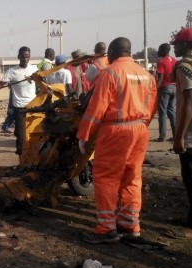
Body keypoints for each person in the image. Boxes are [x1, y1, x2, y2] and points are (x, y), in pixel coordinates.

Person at [77, 37, 157, 243]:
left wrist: (84, 135)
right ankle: (130, 224)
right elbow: (151, 107)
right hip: (140, 129)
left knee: (106, 177)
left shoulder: (110, 73)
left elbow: (96, 109)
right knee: (132, 177)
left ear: (112, 52)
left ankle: (106, 228)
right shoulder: (147, 75)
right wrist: (140, 127)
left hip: (116, 132)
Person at [0, 46, 38, 155]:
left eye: (27, 57)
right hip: (19, 107)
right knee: (20, 134)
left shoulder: (34, 69)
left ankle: (31, 155)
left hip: (33, 106)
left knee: (33, 132)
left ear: (30, 57)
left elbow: (42, 81)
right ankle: (21, 155)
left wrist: (37, 79)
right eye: (23, 57)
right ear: (19, 57)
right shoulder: (12, 71)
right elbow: (0, 84)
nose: (25, 59)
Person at [171, 28, 192, 238]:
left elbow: (189, 100)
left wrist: (180, 137)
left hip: (190, 134)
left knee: (190, 178)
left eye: (176, 44)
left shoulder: (185, 67)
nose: (174, 47)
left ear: (185, 45)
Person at [155, 43, 177, 142]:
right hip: (174, 87)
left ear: (164, 51)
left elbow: (160, 78)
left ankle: (162, 136)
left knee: (162, 112)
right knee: (171, 111)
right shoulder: (174, 61)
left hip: (164, 88)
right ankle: (176, 134)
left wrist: (154, 89)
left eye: (159, 49)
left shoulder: (161, 62)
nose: (158, 51)